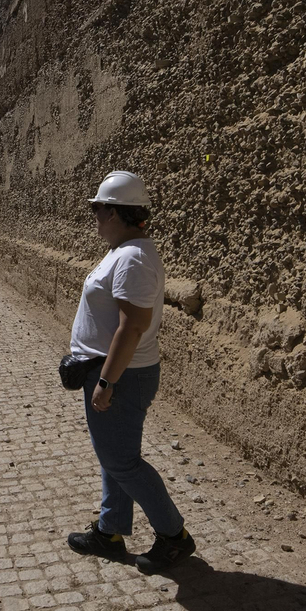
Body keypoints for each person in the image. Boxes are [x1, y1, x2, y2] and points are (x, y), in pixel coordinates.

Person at [65, 171, 195, 575]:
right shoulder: (124, 251)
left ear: (114, 212)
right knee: (113, 456)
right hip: (114, 372)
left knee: (122, 462)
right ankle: (110, 531)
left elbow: (133, 326)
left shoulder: (132, 257)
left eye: (98, 208)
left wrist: (106, 381)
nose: (94, 216)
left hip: (121, 376)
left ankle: (174, 536)